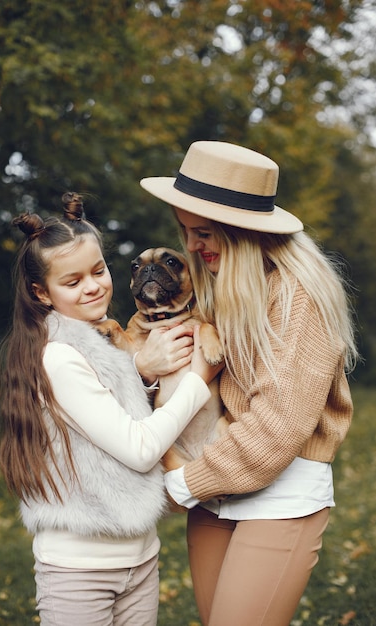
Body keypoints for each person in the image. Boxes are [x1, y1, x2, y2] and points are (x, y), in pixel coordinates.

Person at [139, 140, 358, 626]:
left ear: (241, 229)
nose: (192, 247)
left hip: (277, 494)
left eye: (203, 233)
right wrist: (147, 370)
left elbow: (275, 430)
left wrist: (182, 484)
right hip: (213, 495)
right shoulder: (219, 290)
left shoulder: (298, 296)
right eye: (186, 232)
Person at [0, 191, 222, 626]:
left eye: (98, 271)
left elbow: (116, 408)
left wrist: (142, 369)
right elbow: (139, 448)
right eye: (73, 281)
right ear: (42, 292)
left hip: (140, 556)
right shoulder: (58, 356)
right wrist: (198, 381)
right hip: (79, 568)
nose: (94, 286)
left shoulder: (103, 344)